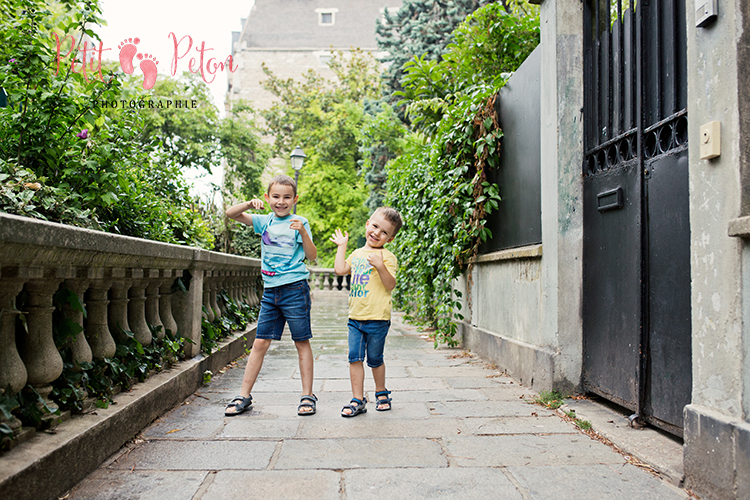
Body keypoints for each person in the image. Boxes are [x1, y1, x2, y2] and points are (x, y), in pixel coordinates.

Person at [223, 174, 318, 417]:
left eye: (287, 197)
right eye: (275, 196)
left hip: (295, 289)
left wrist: (303, 233)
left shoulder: (300, 221)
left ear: (295, 199)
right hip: (270, 291)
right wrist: (248, 204)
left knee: (301, 341)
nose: (281, 201)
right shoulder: (264, 221)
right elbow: (230, 214)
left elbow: (312, 255)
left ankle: (307, 395)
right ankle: (244, 395)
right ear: (268, 197)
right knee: (260, 342)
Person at [330, 207, 403, 417]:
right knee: (354, 358)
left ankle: (381, 392)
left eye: (384, 232)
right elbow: (340, 270)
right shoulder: (357, 254)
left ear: (389, 239)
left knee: (375, 359)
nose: (377, 233)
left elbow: (390, 285)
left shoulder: (387, 257)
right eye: (375, 226)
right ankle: (357, 399)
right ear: (368, 224)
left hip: (378, 319)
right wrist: (341, 247)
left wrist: (380, 266)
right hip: (355, 318)